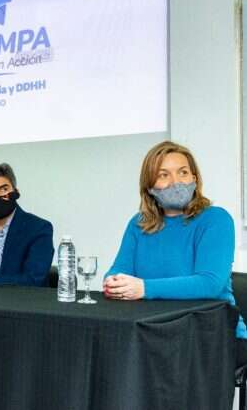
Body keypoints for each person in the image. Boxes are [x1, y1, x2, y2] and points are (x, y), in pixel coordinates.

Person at [102, 141, 247, 362]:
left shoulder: (216, 219)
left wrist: (143, 288)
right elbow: (117, 271)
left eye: (183, 173)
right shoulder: (138, 224)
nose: (176, 182)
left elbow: (210, 283)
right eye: (164, 175)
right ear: (149, 187)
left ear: (194, 179)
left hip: (214, 337)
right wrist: (114, 283)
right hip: (156, 334)